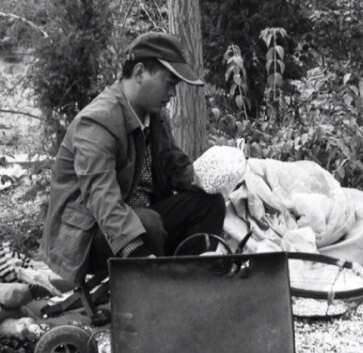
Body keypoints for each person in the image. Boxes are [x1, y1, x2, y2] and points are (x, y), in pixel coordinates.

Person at [39, 31, 226, 287]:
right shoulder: (97, 123)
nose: (172, 93)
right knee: (147, 222)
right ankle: (157, 290)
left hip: (138, 221)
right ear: (139, 73)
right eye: (169, 82)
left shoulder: (156, 117)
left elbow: (174, 167)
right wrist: (140, 255)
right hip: (87, 236)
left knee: (210, 203)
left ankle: (186, 284)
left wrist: (207, 176)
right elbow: (101, 198)